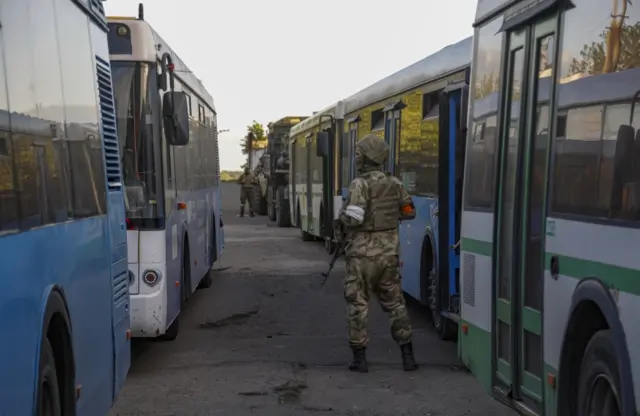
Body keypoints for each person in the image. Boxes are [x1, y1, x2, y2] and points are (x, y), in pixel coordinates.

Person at [336, 134, 417, 373]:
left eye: (359, 153)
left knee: (358, 305)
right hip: (389, 253)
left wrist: (340, 219)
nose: (357, 158)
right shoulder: (395, 183)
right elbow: (409, 211)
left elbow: (354, 217)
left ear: (366, 157)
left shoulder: (359, 184)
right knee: (395, 304)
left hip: (362, 255)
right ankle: (408, 356)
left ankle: (359, 359)